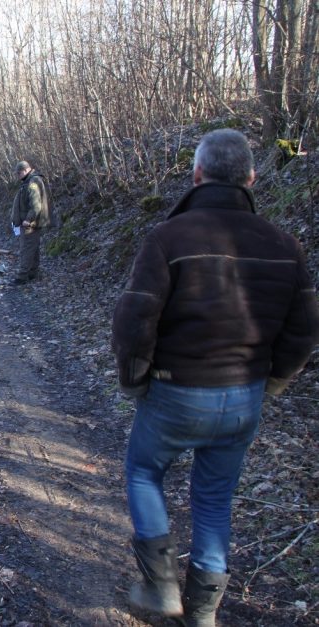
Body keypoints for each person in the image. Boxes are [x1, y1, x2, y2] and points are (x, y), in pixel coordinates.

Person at [112, 128, 319, 626]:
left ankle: (161, 586)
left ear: (197, 174)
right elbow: (305, 326)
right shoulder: (285, 245)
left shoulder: (169, 237)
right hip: (244, 396)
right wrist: (274, 382)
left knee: (143, 471)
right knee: (214, 497)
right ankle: (203, 612)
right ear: (251, 177)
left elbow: (135, 318)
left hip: (176, 391)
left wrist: (135, 380)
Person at [10, 160, 50, 285]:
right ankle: (33, 273)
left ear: (26, 170)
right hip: (32, 223)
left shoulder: (32, 183)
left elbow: (36, 206)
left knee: (26, 249)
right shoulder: (29, 181)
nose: (18, 175)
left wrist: (28, 220)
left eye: (19, 173)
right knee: (33, 248)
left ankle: (22, 276)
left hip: (30, 224)